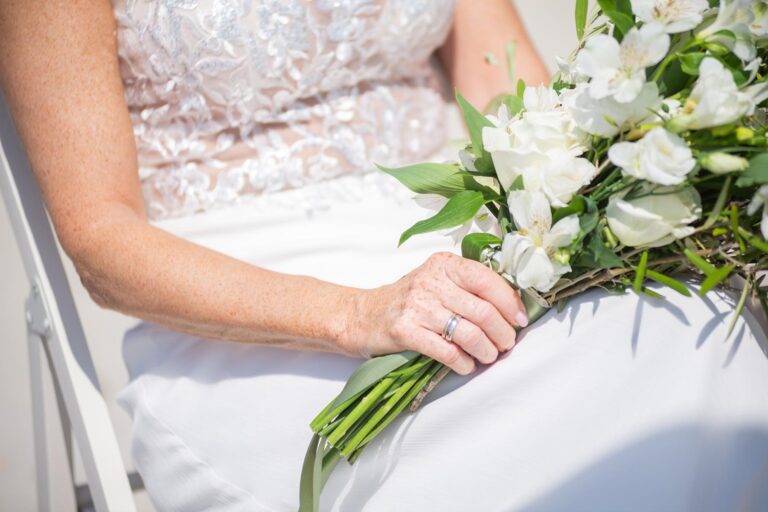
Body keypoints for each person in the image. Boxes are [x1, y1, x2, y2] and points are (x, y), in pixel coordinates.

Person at [1, 1, 767, 510]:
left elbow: (513, 95)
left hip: (450, 229)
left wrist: (608, 195)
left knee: (686, 331)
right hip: (244, 300)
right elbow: (102, 244)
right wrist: (357, 313)